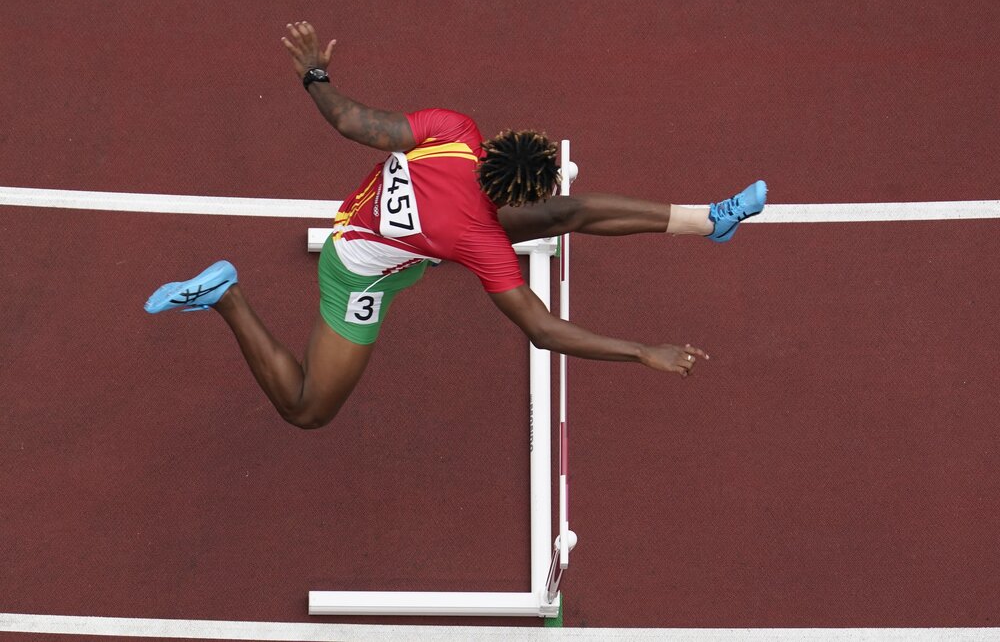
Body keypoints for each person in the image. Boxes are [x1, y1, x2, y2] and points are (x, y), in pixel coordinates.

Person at [145, 22, 767, 430]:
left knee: (569, 214)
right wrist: (643, 352)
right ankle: (227, 297)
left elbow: (352, 122)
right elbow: (541, 330)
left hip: (394, 218)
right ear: (519, 192)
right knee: (307, 409)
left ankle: (709, 221)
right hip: (355, 273)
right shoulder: (480, 242)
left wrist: (314, 74)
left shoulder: (454, 131)